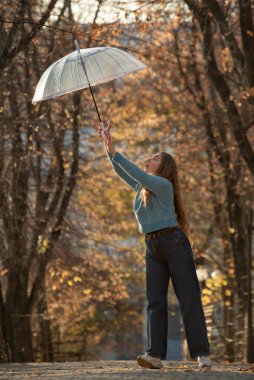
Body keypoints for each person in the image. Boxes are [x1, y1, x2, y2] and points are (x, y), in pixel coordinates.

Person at [92, 121, 212, 369]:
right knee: (155, 302)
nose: (149, 159)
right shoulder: (142, 189)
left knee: (188, 298)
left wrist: (114, 149)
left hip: (174, 244)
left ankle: (202, 353)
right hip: (152, 247)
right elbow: (123, 171)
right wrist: (107, 145)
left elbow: (136, 172)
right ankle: (155, 356)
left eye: (154, 158)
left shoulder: (163, 185)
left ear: (164, 166)